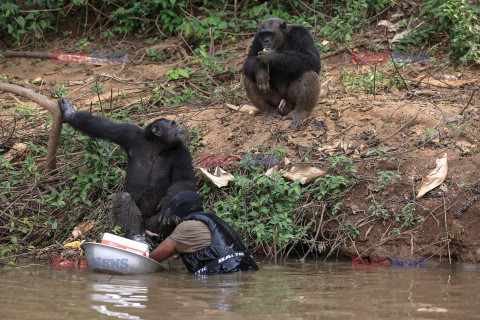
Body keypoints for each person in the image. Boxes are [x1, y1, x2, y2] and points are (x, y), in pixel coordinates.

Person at [149, 191, 258, 275]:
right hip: (248, 269)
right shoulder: (215, 220)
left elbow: (152, 259)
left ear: (177, 218)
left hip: (224, 277)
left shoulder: (185, 227)